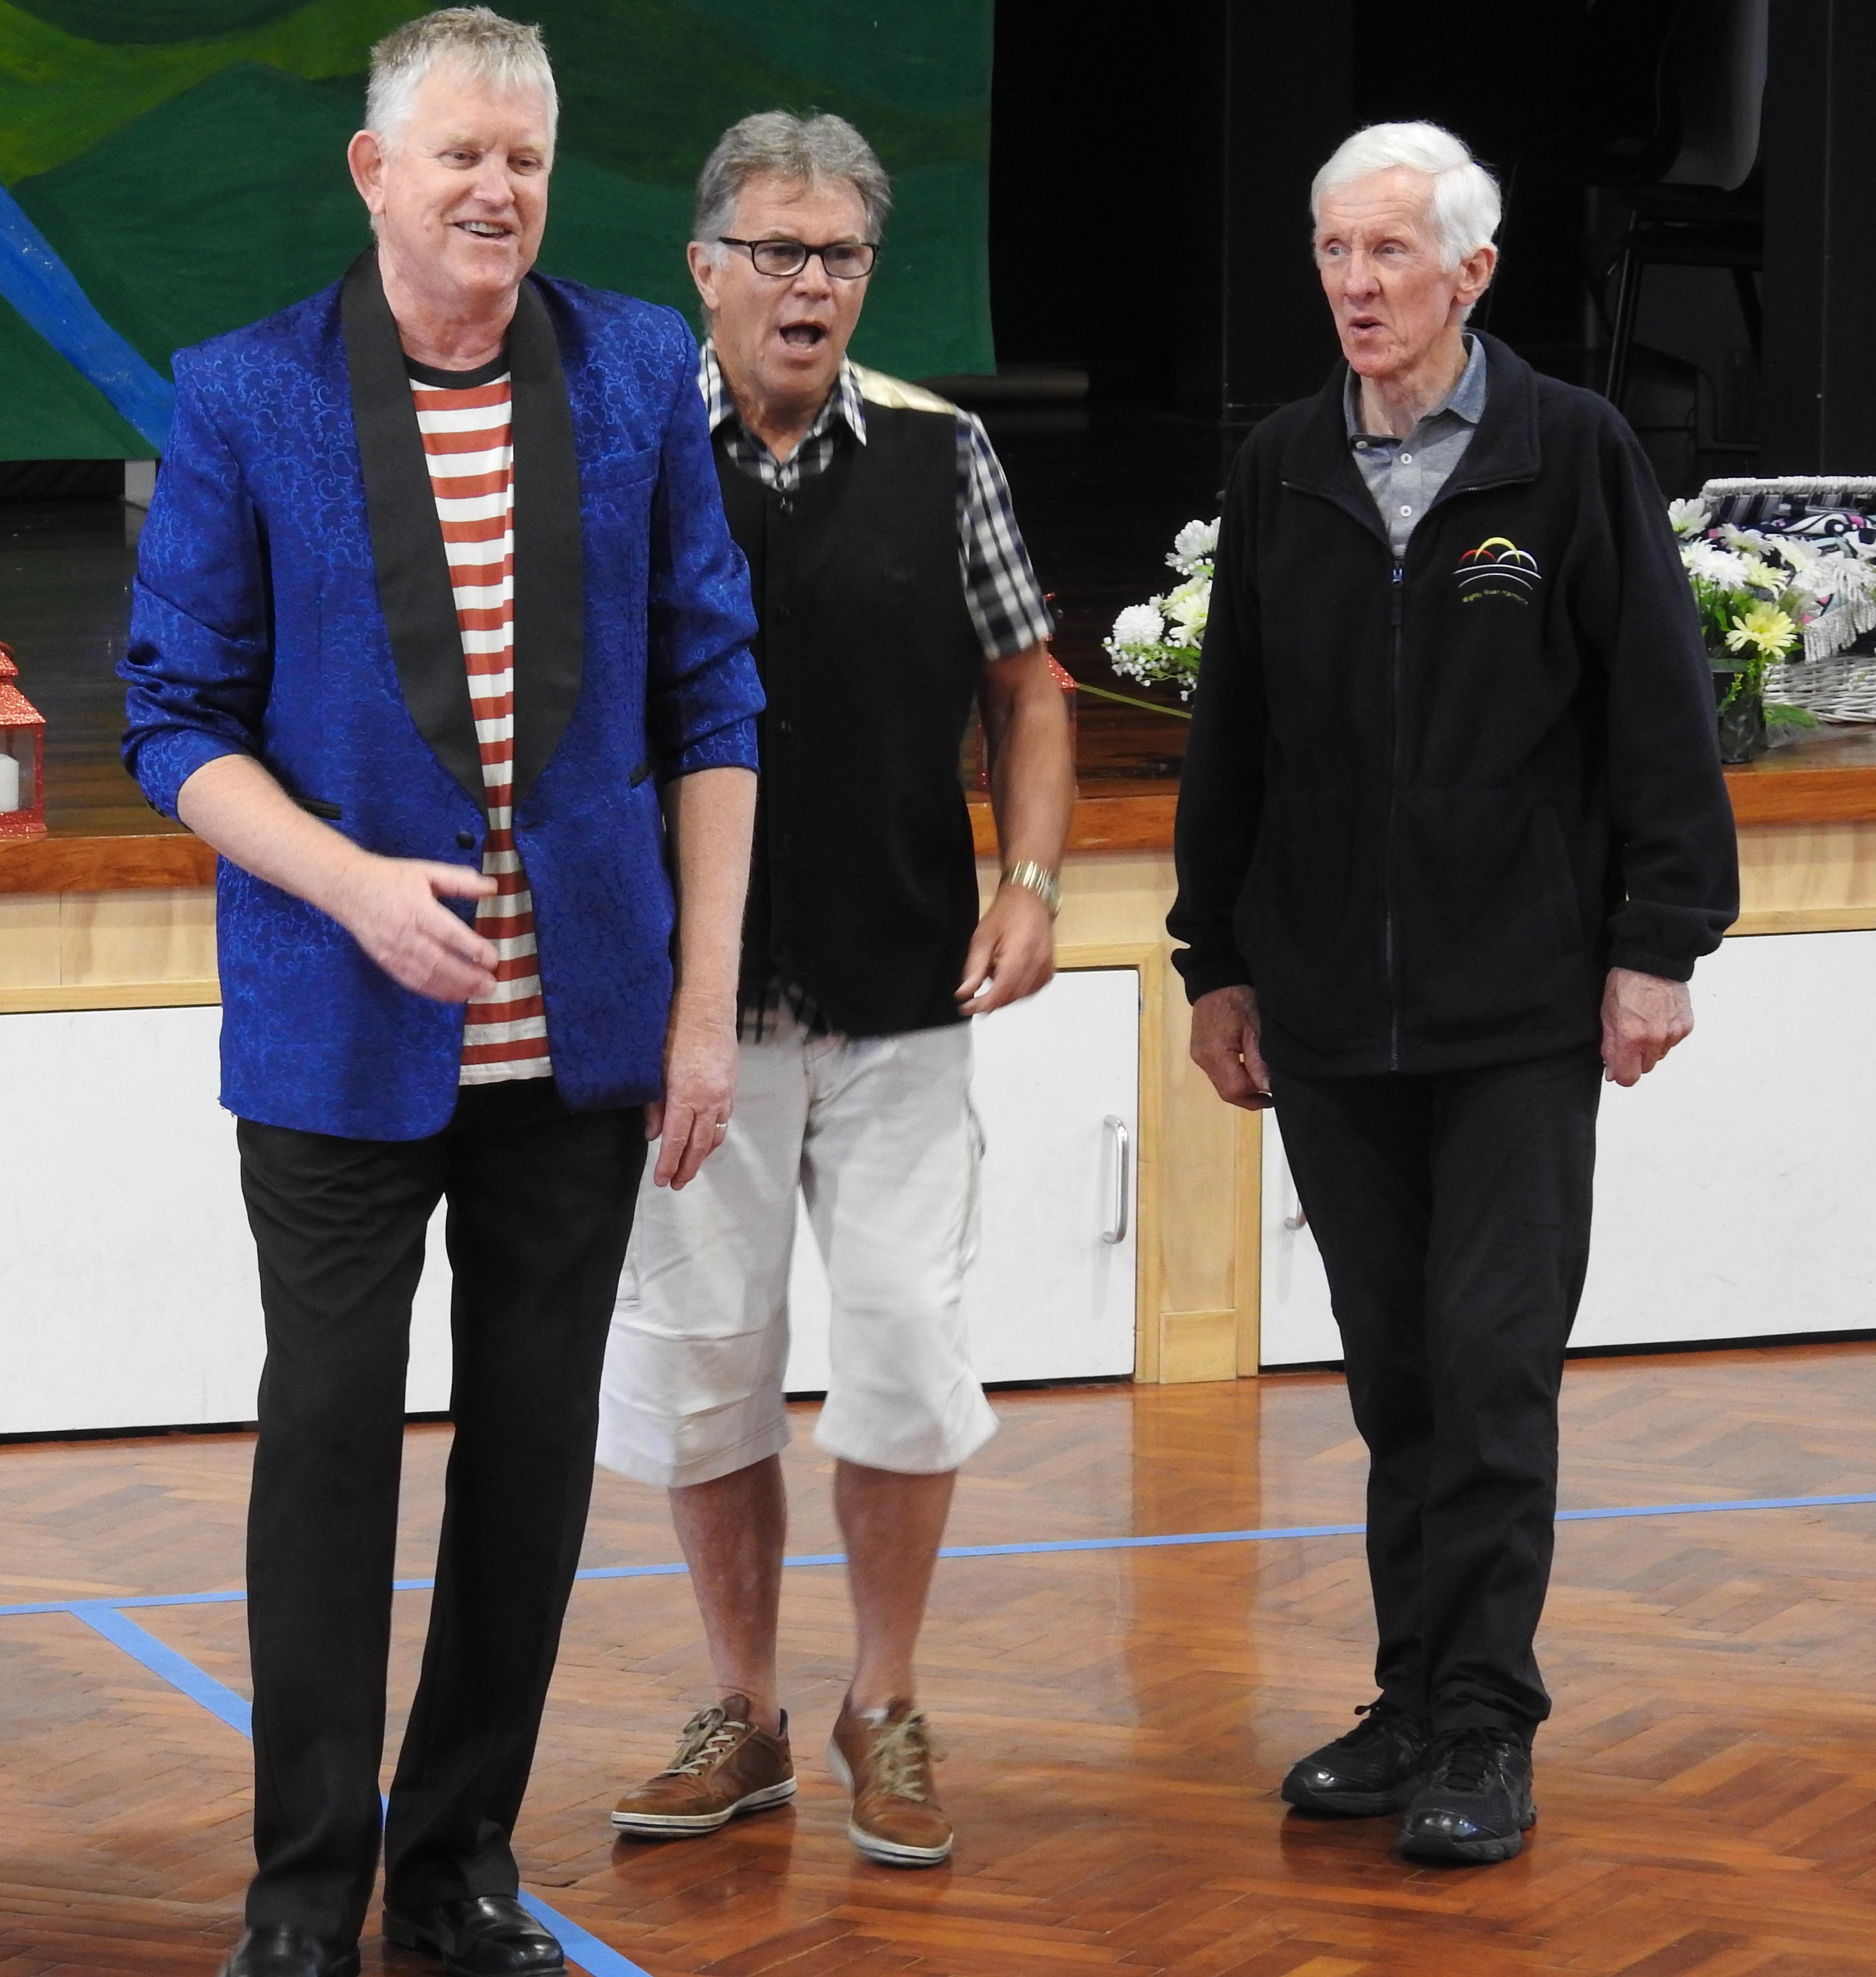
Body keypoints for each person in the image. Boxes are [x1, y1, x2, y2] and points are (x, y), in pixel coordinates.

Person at [119, 11, 760, 1975]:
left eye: (527, 159)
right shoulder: (246, 392)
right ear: (375, 172)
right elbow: (175, 721)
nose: (498, 189)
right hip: (337, 1024)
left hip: (581, 1034)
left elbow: (713, 696)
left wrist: (703, 1009)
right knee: (327, 1449)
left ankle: (462, 1859)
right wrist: (348, 887)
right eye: (463, 154)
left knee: (533, 1455)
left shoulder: (639, 366)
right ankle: (305, 1890)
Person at [1170, 121, 1738, 1866]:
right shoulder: (1283, 466)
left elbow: (1658, 709)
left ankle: (1487, 1724)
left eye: (1391, 253)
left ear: (1471, 273)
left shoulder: (1570, 453)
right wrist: (1215, 960)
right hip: (1330, 1009)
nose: (1356, 285)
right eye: (1335, 252)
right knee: (1398, 1383)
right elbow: (1234, 734)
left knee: (1492, 1375)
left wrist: (1660, 941)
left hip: (1521, 1008)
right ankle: (1411, 1699)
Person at [595, 112, 1072, 1871]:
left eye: (841, 256)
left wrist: (1031, 883)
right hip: (688, 1019)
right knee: (705, 1367)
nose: (810, 286)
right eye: (777, 252)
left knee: (904, 1350)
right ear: (703, 267)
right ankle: (745, 1712)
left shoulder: (947, 454)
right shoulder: (627, 452)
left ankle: (885, 1701)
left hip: (901, 997)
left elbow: (1030, 689)